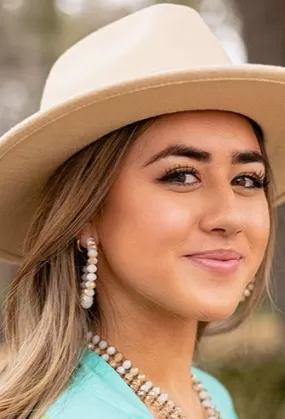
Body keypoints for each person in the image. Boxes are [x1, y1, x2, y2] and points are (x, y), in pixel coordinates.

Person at [0, 3, 285, 418]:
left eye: (247, 180)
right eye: (182, 176)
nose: (230, 217)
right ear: (84, 214)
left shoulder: (208, 397)